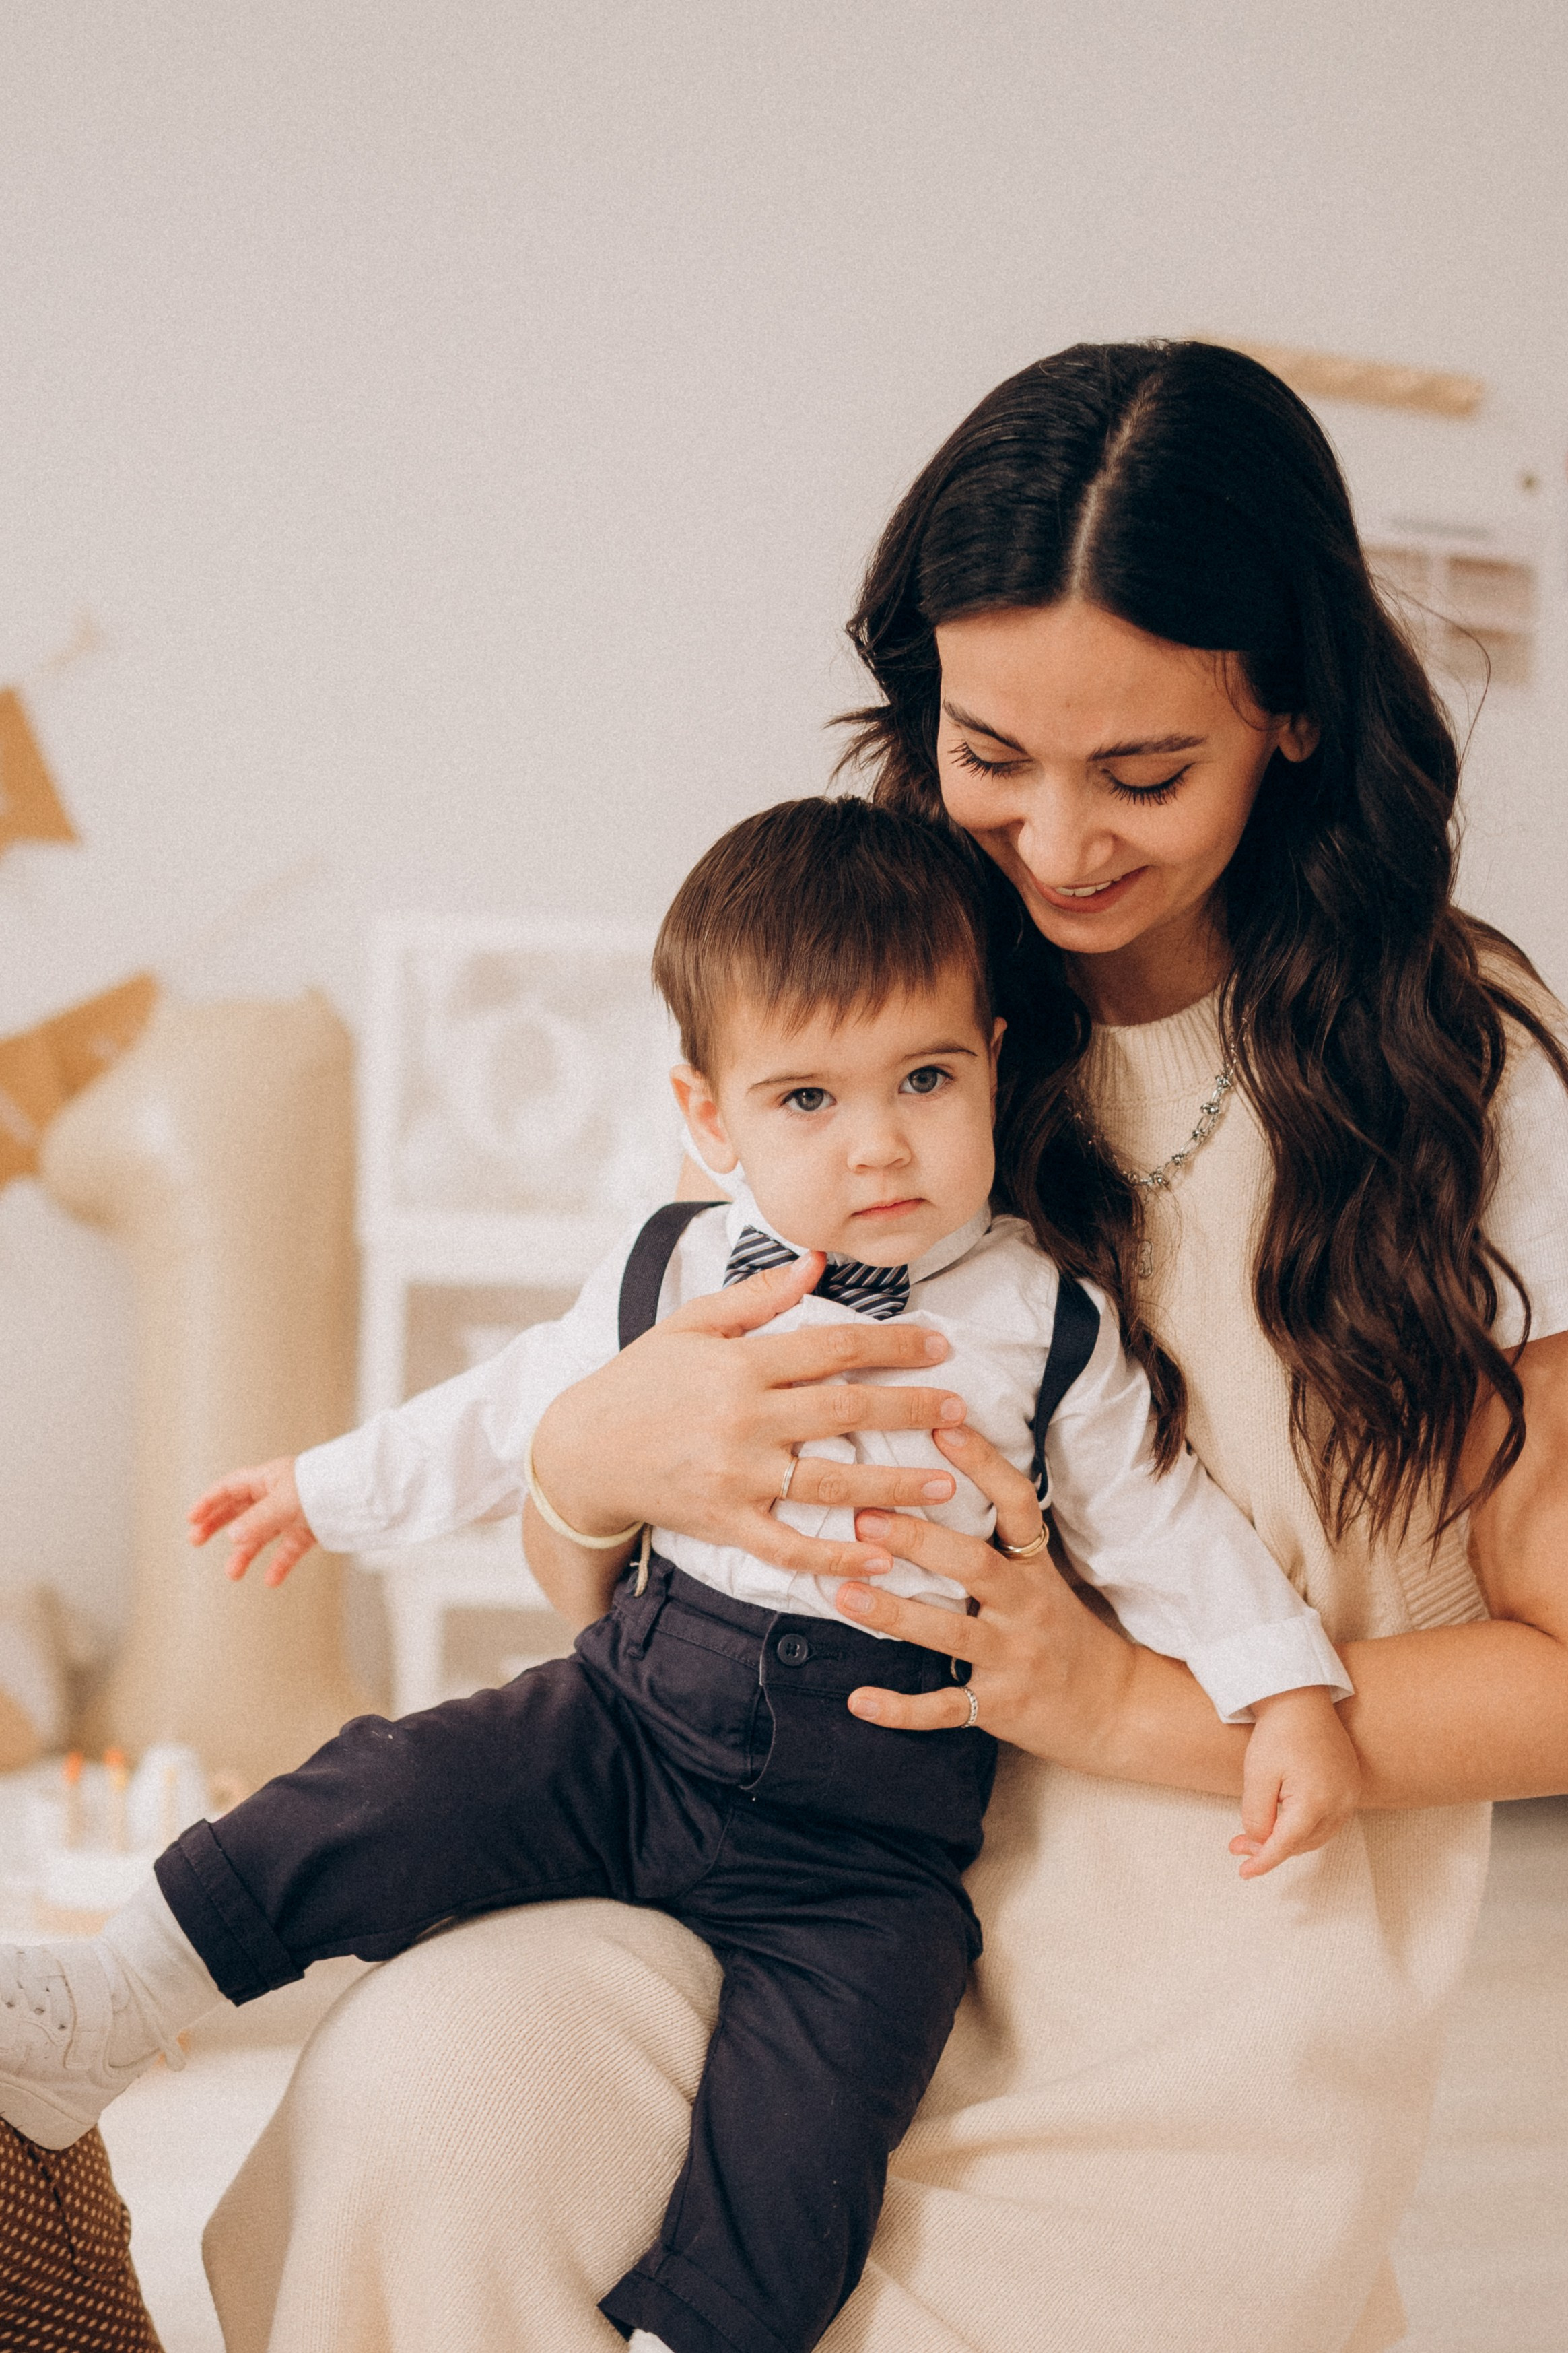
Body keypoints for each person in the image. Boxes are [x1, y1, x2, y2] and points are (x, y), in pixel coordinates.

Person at [1, 796, 1358, 2353]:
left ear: (992, 1057)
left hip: (866, 1850)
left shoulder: (1047, 1328)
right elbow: (512, 1413)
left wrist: (1289, 1688)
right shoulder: (671, 1266)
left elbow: (1172, 1529)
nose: (879, 1140)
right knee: (381, 1792)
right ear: (710, 1117)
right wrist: (322, 1487)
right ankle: (117, 1997)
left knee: (811, 2135)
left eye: (927, 1077)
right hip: (632, 1724)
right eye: (806, 1097)